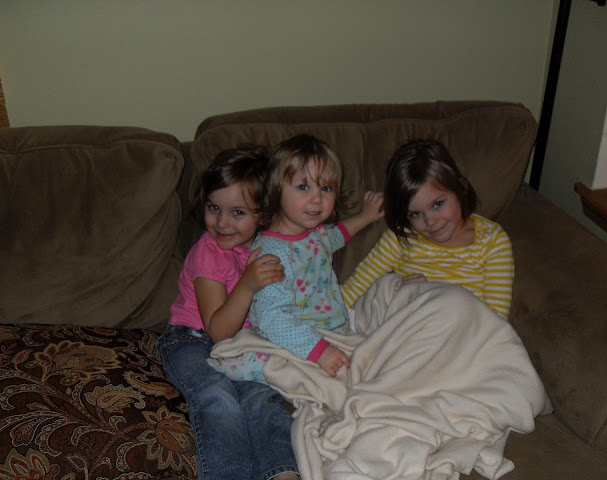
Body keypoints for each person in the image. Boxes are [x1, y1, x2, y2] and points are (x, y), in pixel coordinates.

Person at [156, 146, 300, 480]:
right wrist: (247, 285)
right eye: (214, 208)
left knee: (262, 399)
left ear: (263, 214)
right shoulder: (208, 252)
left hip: (244, 346)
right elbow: (218, 331)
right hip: (191, 340)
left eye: (238, 212)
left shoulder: (269, 247)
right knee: (216, 396)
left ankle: (282, 473)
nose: (222, 222)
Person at [210, 134, 384, 381]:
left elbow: (338, 235)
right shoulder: (272, 253)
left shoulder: (316, 233)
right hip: (295, 339)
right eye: (303, 187)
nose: (317, 198)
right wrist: (319, 351)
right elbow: (272, 317)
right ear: (277, 188)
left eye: (326, 188)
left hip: (331, 330)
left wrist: (365, 217)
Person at [341, 139, 514, 319]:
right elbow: (354, 290)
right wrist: (398, 292)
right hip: (405, 326)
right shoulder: (401, 237)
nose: (431, 221)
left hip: (464, 330)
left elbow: (496, 320)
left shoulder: (492, 241)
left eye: (438, 204)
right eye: (415, 214)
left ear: (461, 187)